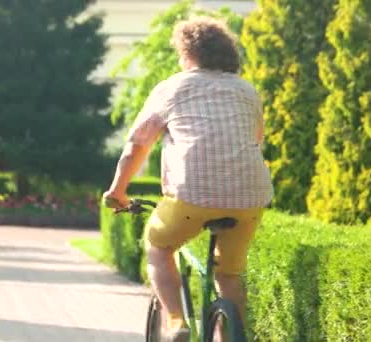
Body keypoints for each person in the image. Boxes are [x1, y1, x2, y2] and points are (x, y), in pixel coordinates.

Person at [103, 17, 273, 341]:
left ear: (188, 52)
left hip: (190, 196)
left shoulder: (172, 87)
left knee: (158, 246)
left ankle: (177, 321)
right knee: (230, 274)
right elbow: (256, 139)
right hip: (251, 197)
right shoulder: (247, 90)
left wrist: (117, 191)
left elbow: (137, 145)